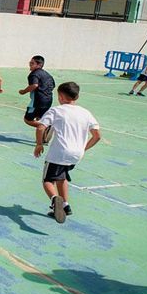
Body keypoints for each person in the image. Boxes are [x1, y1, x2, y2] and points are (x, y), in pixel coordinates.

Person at [34, 82, 101, 223]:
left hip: (59, 152)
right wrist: (83, 148)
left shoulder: (56, 110)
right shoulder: (85, 112)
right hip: (76, 154)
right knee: (61, 176)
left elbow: (40, 127)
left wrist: (39, 144)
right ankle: (65, 205)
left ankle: (54, 199)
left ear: (60, 96)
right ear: (77, 96)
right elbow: (97, 136)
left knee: (47, 181)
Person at [18, 55, 55, 129]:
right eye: (30, 63)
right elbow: (53, 85)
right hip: (49, 100)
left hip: (37, 102)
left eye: (32, 63)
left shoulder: (34, 74)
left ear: (39, 65)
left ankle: (46, 128)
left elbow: (34, 85)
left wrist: (23, 91)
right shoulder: (48, 75)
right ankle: (43, 135)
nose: (30, 65)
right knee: (40, 118)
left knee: (27, 119)